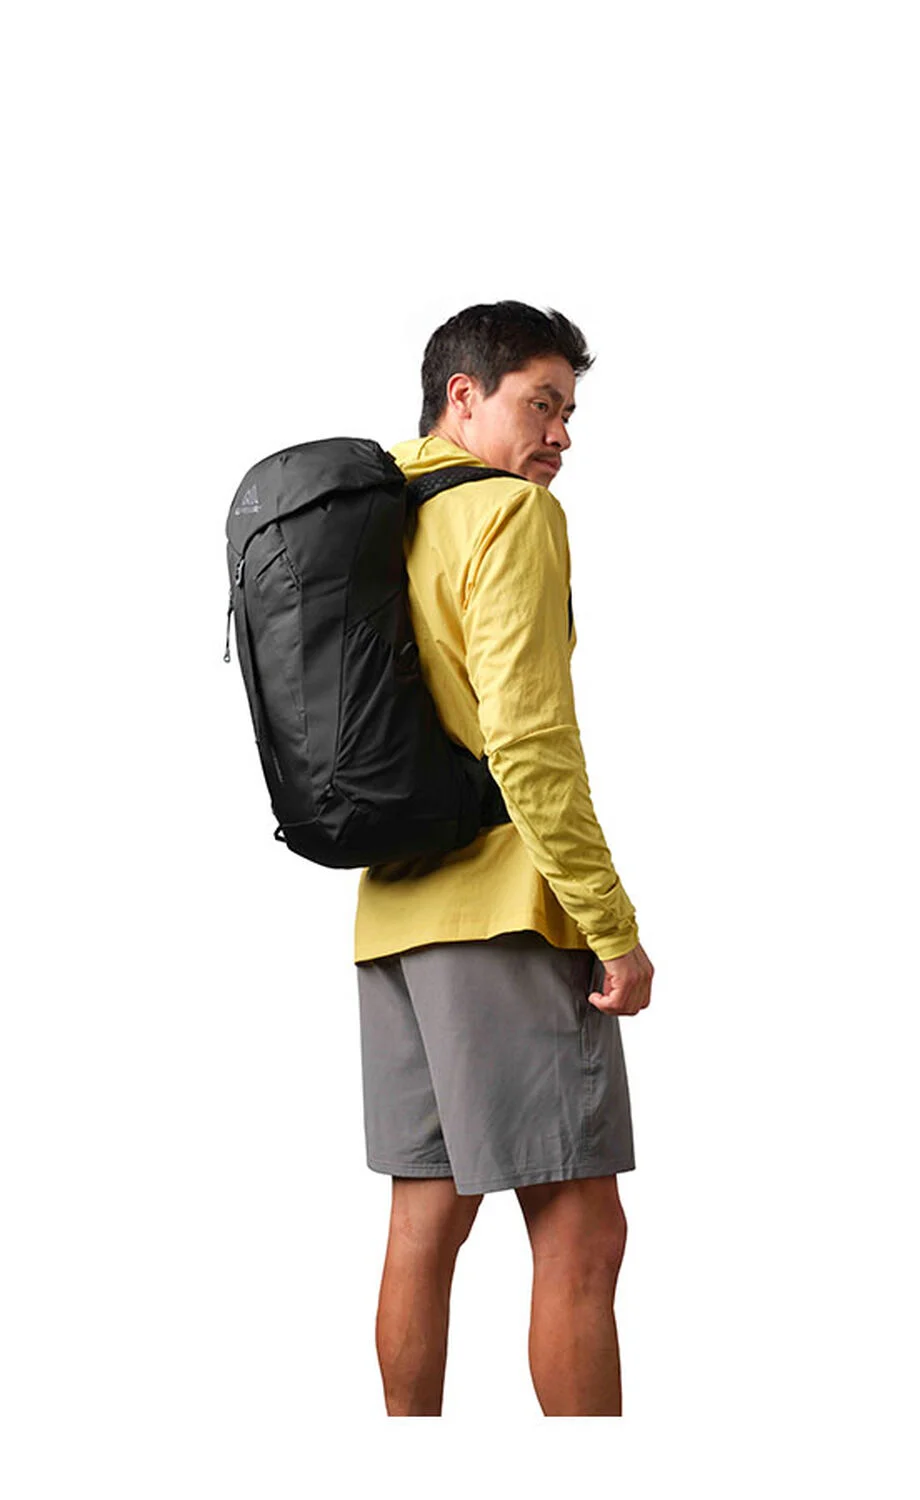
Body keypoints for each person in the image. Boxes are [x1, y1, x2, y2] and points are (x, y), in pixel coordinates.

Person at [354, 300, 655, 1416]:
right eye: (541, 404)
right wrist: (611, 928)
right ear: (462, 395)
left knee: (423, 1225)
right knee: (581, 1228)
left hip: (392, 915)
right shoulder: (509, 515)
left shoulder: (379, 513)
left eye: (569, 412)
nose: (561, 435)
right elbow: (527, 747)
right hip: (504, 915)